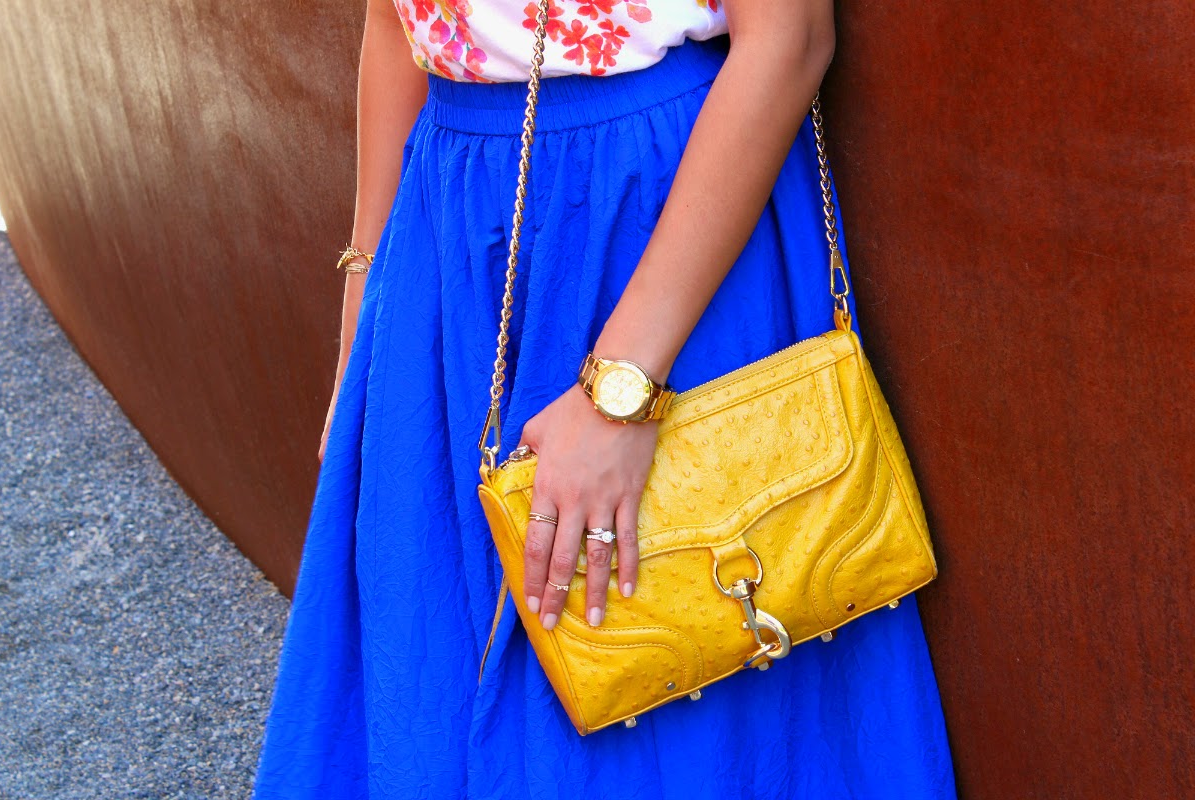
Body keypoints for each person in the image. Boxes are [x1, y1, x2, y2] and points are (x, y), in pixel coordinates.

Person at [252, 0, 958, 797]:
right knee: (431, 660)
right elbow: (393, 21)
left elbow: (790, 37)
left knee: (660, 657)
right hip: (444, 236)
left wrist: (621, 389)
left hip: (647, 215)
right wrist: (364, 310)